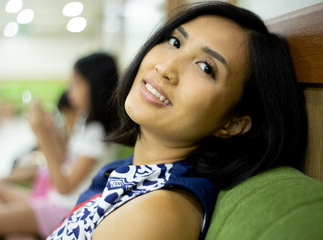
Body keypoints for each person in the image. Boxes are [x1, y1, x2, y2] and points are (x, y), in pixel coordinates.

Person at [45, 2, 307, 240]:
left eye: (206, 67)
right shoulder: (132, 172)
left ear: (233, 123)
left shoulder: (156, 212)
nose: (166, 68)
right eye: (175, 42)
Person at [0, 53, 119, 239]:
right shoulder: (85, 121)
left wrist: (43, 136)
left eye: (76, 84)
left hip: (63, 210)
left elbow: (64, 186)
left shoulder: (97, 132)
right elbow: (63, 165)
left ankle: (16, 227)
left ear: (94, 86)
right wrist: (50, 132)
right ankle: (19, 229)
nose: (70, 91)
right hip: (53, 200)